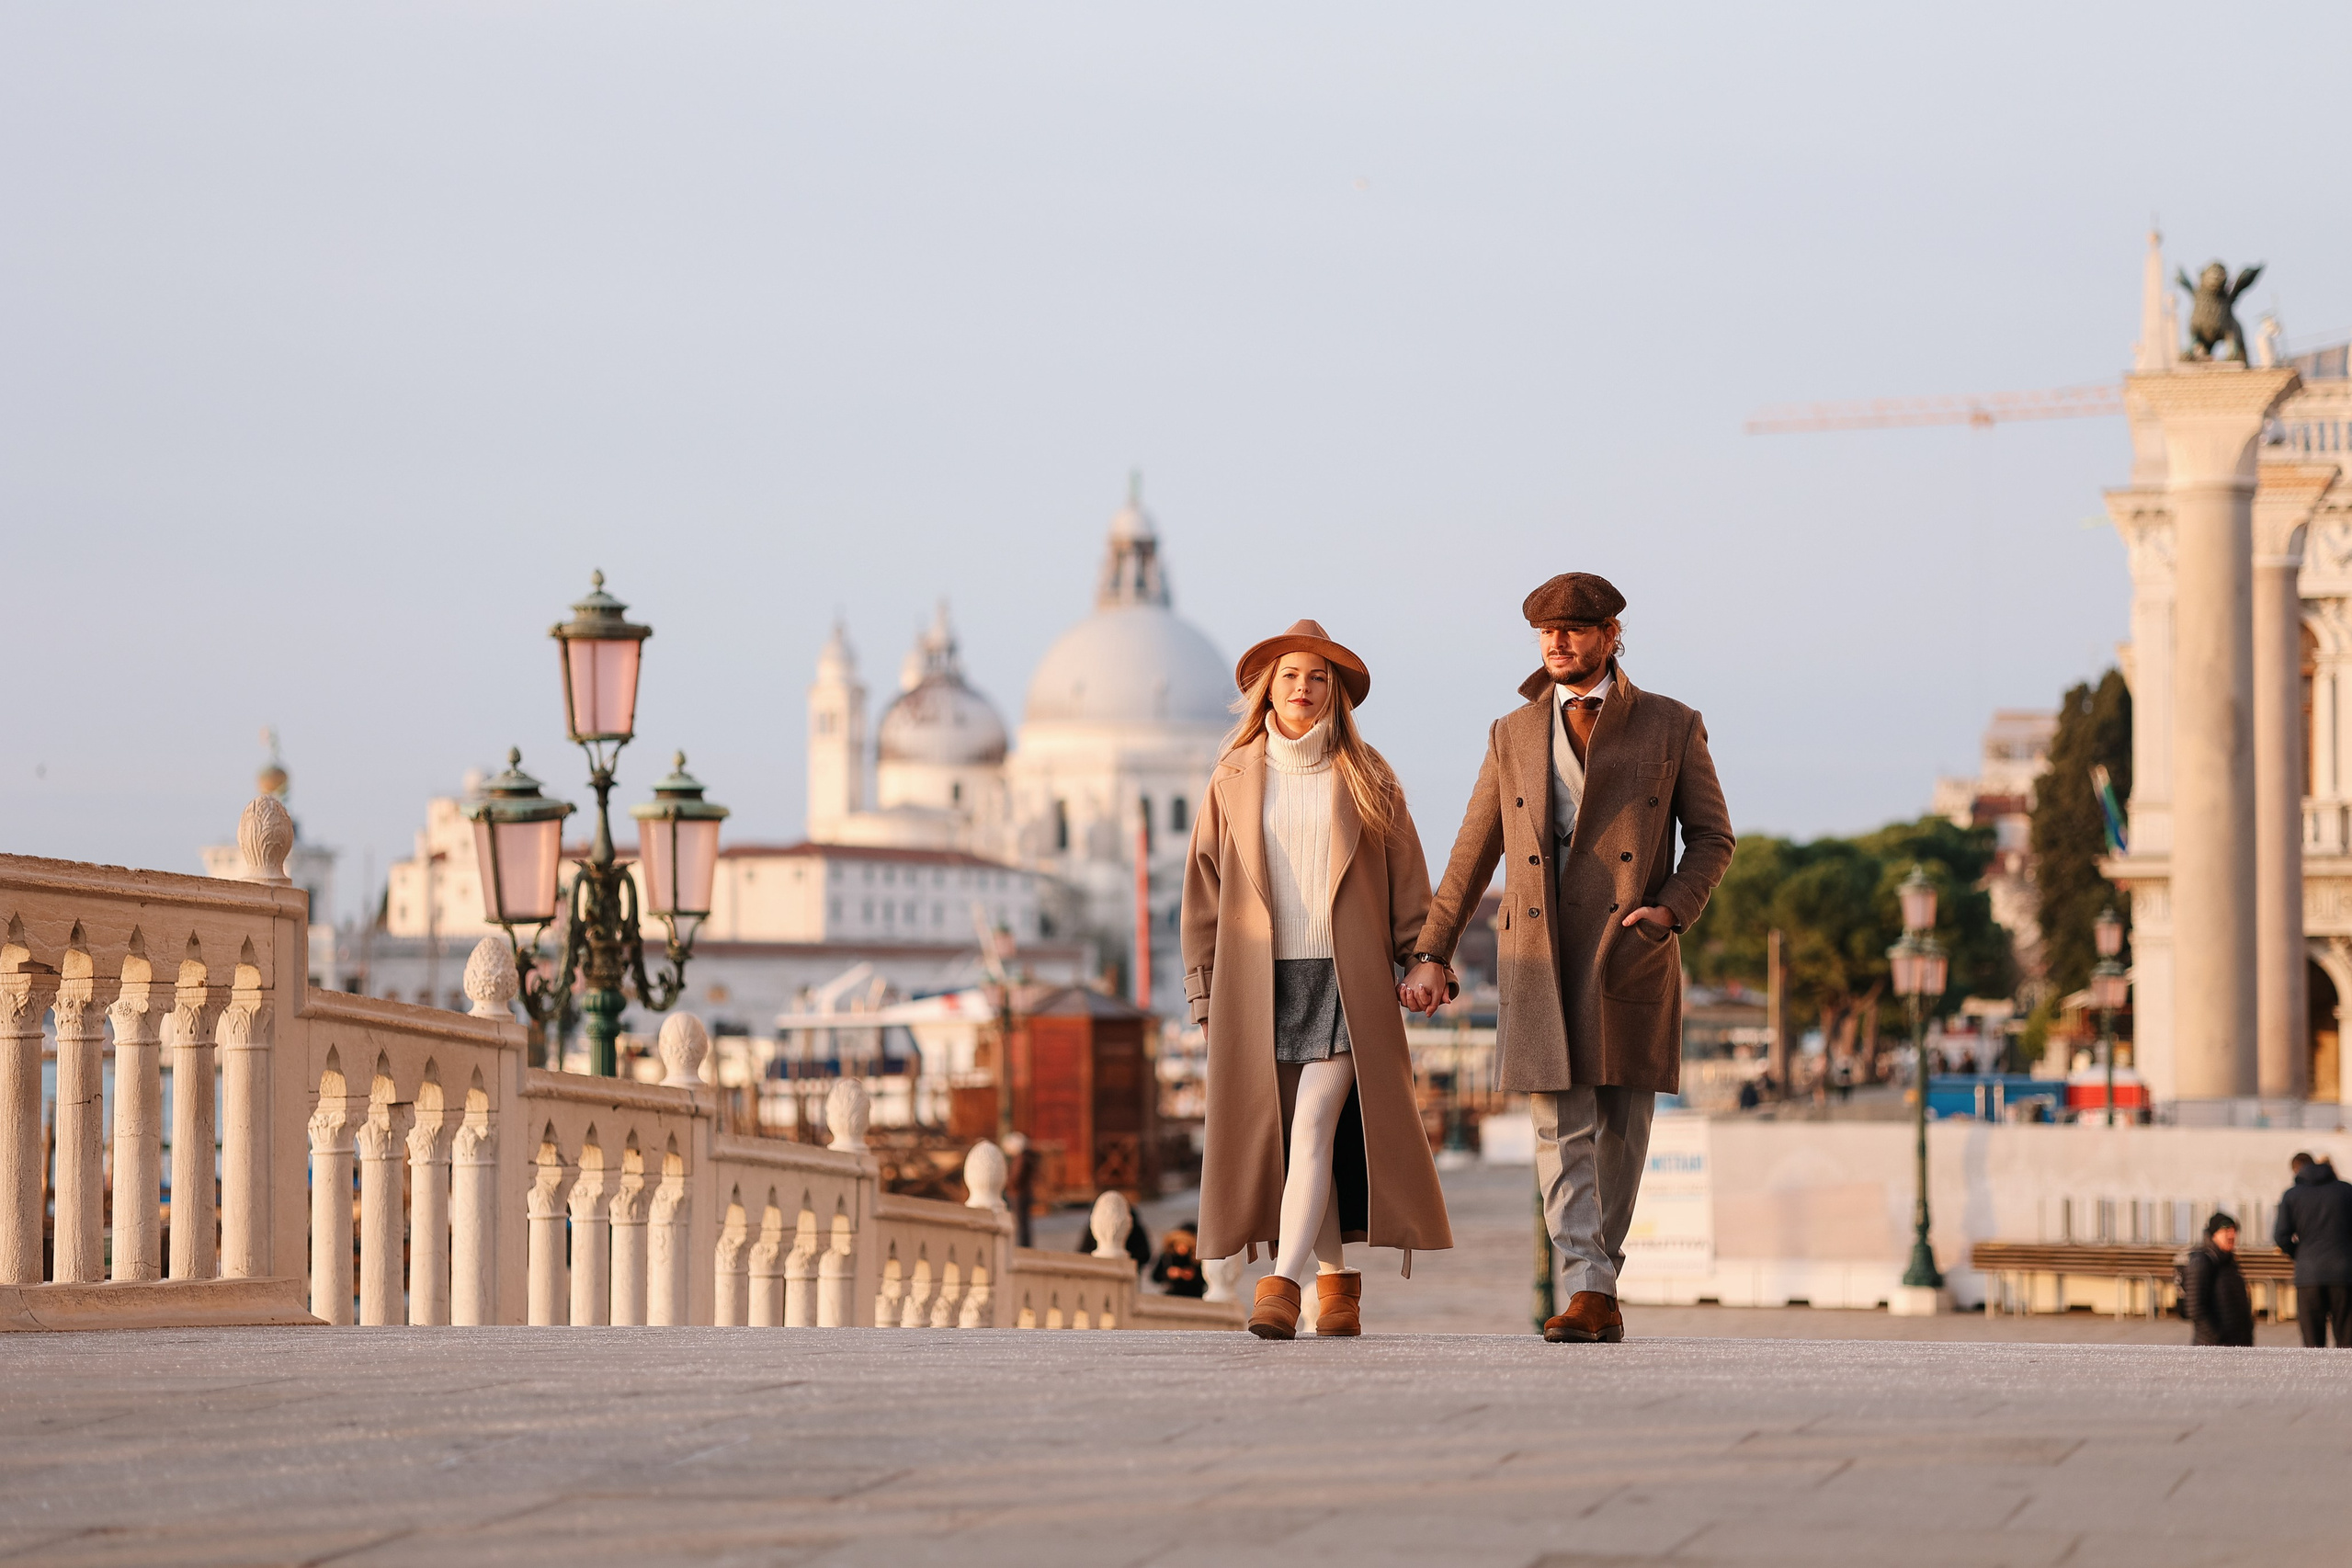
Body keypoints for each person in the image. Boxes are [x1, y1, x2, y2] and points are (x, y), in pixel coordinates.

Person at [1403, 574, 1733, 1345]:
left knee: (1621, 1129)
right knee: (1559, 1126)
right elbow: (1470, 854)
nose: (1557, 642)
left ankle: (1598, 1282)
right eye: (1546, 631)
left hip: (1629, 948)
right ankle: (1585, 1283)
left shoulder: (1670, 724)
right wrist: (1430, 951)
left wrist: (1669, 911)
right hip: (1536, 953)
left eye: (1575, 630)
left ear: (1612, 634)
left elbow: (1712, 838)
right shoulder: (1510, 733)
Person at [1183, 619, 1454, 1339]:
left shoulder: (1369, 776)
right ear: (1267, 687)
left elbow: (1408, 888)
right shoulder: (1231, 778)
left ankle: (1279, 1285)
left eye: (1318, 677)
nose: (1303, 688)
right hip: (1254, 988)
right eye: (1290, 675)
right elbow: (1203, 896)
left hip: (1345, 982)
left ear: (1335, 693)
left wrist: (1422, 958)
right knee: (1297, 1140)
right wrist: (1202, 993)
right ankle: (1337, 1290)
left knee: (1310, 1131)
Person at [2273, 1151, 2352, 1346]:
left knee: (2313, 1347)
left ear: (2296, 1170)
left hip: (2308, 1275)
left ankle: (2316, 1377)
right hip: (2344, 1274)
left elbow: (2281, 1236)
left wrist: (2299, 1254)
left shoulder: (2292, 1195)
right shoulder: (2346, 1191)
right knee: (2347, 1343)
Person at [2184, 1211, 2255, 1346]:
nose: (2232, 1235)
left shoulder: (2229, 1262)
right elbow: (2194, 1307)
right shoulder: (2203, 1261)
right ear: (2214, 1234)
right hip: (2213, 1346)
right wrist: (2217, 1336)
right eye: (2226, 1231)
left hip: (2236, 1345)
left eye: (2234, 1231)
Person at [1150, 1221, 1207, 1298]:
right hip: (1172, 1296)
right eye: (1180, 1243)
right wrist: (1168, 1274)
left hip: (1193, 1297)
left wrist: (1194, 1276)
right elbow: (1155, 1277)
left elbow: (1207, 1280)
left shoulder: (1197, 1259)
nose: (1183, 1248)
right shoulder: (1167, 1257)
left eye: (1186, 1244)